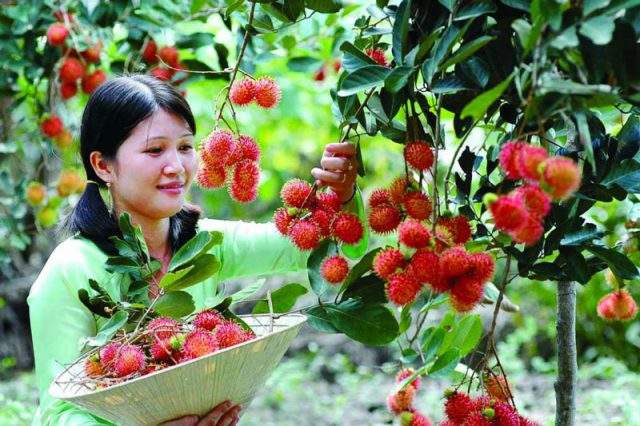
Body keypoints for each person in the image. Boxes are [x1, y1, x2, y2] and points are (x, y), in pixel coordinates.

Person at [27, 74, 359, 425]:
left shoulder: (204, 244)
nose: (177, 167)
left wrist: (343, 196)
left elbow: (315, 248)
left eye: (185, 147)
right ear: (103, 165)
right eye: (155, 150)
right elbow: (59, 413)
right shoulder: (70, 270)